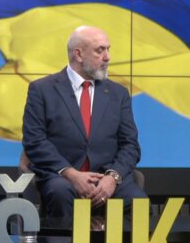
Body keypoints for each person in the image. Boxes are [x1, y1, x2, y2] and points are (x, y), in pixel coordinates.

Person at [22, 25, 147, 218]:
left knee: (138, 202)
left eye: (108, 49)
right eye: (100, 50)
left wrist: (112, 178)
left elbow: (130, 145)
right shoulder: (42, 90)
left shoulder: (118, 94)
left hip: (106, 177)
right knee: (60, 192)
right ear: (78, 54)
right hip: (61, 176)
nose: (107, 57)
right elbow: (34, 141)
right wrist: (71, 174)